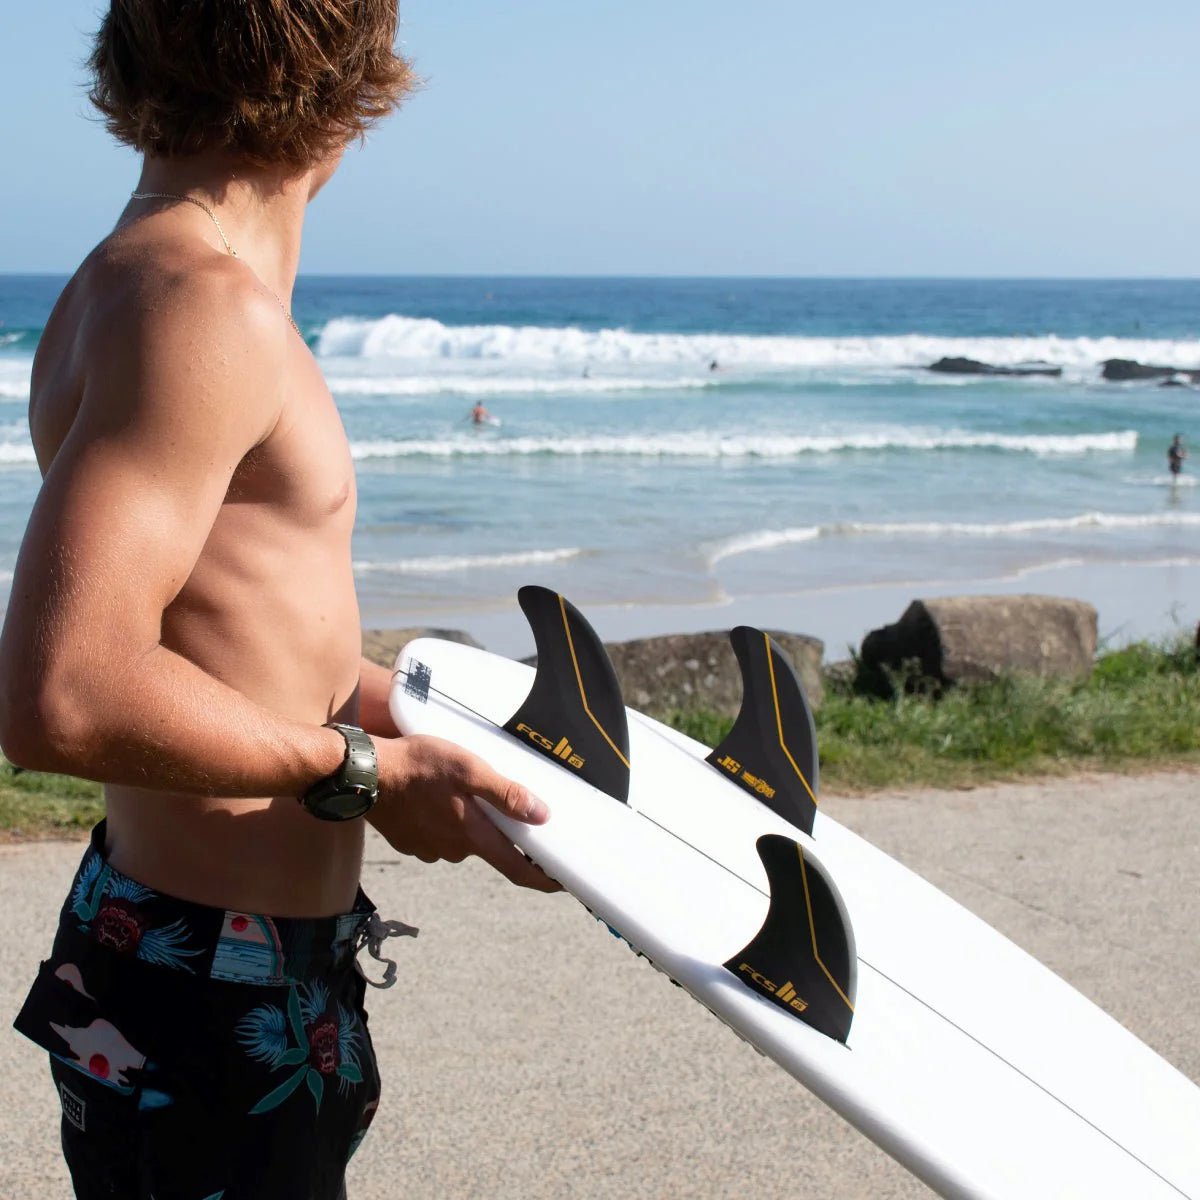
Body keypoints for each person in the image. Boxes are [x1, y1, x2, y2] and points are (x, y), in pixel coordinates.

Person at [0, 5, 557, 1199]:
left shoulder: (136, 280)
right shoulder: (201, 308)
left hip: (219, 955)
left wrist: (413, 734)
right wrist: (363, 774)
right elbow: (66, 692)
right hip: (208, 975)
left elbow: (219, 636)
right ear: (350, 84)